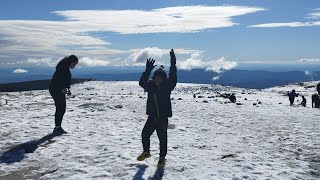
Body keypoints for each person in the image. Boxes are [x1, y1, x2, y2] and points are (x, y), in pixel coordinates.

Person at [137, 49, 177, 167]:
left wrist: (173, 64)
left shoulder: (168, 87)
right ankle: (146, 152)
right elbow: (141, 82)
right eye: (156, 77)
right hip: (152, 117)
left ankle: (162, 158)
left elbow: (173, 77)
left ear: (164, 79)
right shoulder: (150, 86)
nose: (158, 80)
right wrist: (148, 70)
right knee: (145, 134)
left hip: (162, 118)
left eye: (161, 78)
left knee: (162, 138)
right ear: (153, 78)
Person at [49, 55, 78, 134]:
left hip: (56, 90)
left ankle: (57, 127)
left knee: (60, 108)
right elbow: (60, 82)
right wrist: (65, 90)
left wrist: (66, 90)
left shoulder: (63, 67)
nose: (75, 66)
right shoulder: (63, 69)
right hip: (57, 90)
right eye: (74, 64)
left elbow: (63, 82)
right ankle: (57, 128)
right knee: (61, 108)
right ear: (71, 62)